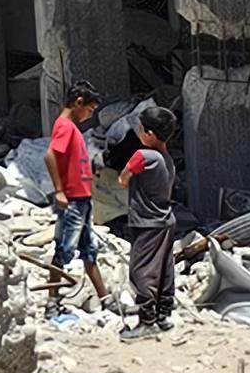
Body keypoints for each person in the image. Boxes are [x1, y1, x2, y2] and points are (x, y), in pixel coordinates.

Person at [118, 102, 193, 332]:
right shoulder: (166, 158)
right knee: (163, 270)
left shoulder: (143, 155)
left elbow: (122, 179)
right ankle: (163, 315)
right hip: (165, 220)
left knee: (141, 270)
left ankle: (147, 321)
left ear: (149, 134)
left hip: (147, 222)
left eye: (141, 129)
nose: (139, 133)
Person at [46, 84, 115, 317]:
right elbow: (50, 156)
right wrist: (59, 191)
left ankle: (105, 299)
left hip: (82, 198)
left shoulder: (71, 128)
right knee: (63, 251)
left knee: (89, 250)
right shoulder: (65, 126)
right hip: (73, 200)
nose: (90, 115)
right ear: (78, 103)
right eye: (90, 110)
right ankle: (52, 302)